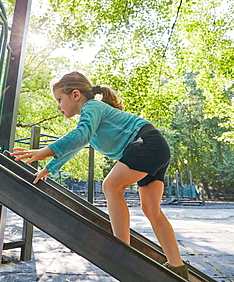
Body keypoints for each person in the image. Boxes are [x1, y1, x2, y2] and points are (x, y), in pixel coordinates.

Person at [12, 71, 189, 280]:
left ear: (75, 95)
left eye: (60, 100)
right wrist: (48, 168)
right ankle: (178, 266)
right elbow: (76, 144)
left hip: (146, 144)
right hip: (156, 147)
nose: (58, 107)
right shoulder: (91, 119)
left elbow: (79, 136)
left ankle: (122, 251)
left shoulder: (92, 107)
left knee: (111, 186)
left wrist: (44, 151)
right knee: (151, 209)